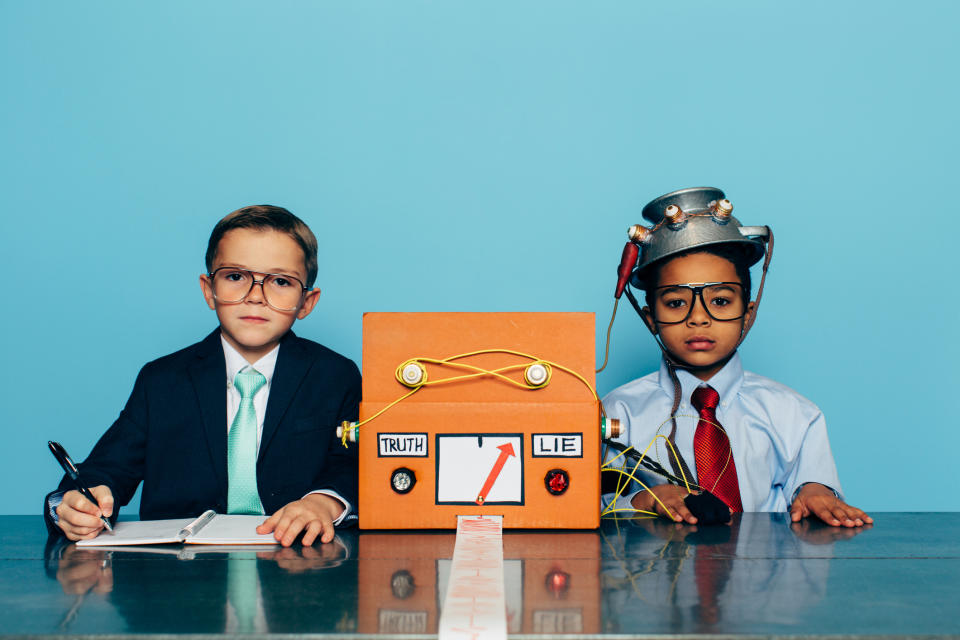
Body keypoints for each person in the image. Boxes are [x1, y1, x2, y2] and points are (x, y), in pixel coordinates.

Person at [44, 205, 360, 546]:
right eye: (236, 277)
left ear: (307, 302)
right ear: (209, 289)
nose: (255, 297)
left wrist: (325, 502)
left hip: (297, 567)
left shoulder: (335, 374)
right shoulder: (161, 380)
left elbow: (355, 465)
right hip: (180, 573)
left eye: (281, 281)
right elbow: (105, 469)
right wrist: (76, 503)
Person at [602, 187, 871, 528]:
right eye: (675, 303)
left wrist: (815, 493)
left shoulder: (795, 413)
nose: (698, 317)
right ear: (650, 316)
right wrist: (642, 500)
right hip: (659, 575)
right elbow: (592, 501)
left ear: (748, 312)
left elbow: (813, 481)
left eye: (721, 301)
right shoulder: (616, 412)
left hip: (764, 575)